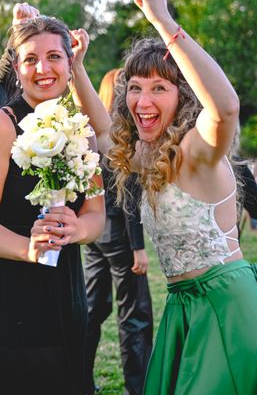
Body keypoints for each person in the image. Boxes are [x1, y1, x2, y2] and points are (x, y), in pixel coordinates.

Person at [104, 0, 257, 394]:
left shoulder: (198, 149)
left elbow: (226, 106)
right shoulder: (148, 154)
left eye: (160, 87)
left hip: (230, 312)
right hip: (183, 312)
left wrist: (164, 23)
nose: (143, 99)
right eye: (136, 87)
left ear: (183, 97)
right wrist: (73, 68)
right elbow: (101, 134)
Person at [0, 14, 106, 395]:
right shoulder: (0, 126)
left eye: (54, 57)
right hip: (8, 296)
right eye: (30, 59)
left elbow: (96, 216)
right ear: (17, 66)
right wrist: (28, 249)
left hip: (66, 293)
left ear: (70, 63)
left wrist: (77, 230)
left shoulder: (81, 127)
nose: (43, 68)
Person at [83, 68, 153, 395]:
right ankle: (137, 389)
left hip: (94, 233)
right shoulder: (123, 136)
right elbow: (131, 193)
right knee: (135, 315)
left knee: (91, 309)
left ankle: (79, 381)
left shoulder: (88, 132)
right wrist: (138, 246)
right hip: (122, 234)